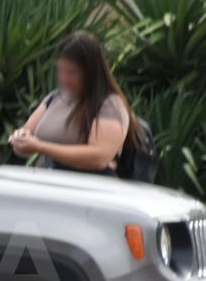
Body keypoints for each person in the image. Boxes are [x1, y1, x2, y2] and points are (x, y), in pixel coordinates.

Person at [10, 31, 139, 174]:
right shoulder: (55, 98)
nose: (64, 79)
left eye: (72, 72)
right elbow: (27, 133)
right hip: (44, 187)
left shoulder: (110, 105)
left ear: (91, 72)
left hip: (81, 192)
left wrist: (41, 147)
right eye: (61, 71)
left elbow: (99, 157)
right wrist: (20, 140)